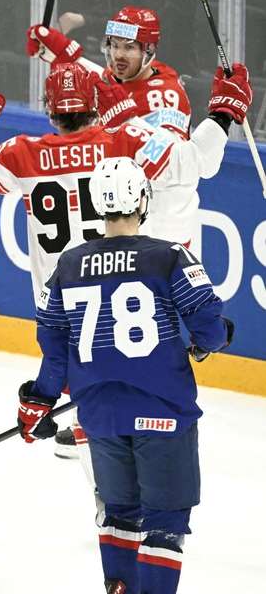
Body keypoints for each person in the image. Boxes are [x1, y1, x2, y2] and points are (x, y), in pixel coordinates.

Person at [0, 59, 251, 462]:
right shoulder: (124, 141)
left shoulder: (22, 153)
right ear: (94, 105)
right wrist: (222, 112)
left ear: (49, 109)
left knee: (96, 422)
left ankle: (112, 514)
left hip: (64, 308)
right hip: (125, 300)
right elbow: (195, 163)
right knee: (134, 417)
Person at [24, 5, 246, 458]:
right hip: (129, 226)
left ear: (150, 50)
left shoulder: (164, 95)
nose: (118, 55)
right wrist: (62, 52)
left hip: (163, 229)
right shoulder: (116, 78)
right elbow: (102, 82)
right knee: (112, 329)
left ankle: (133, 427)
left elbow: (177, 163)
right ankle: (102, 418)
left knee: (153, 336)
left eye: (130, 47)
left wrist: (220, 117)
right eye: (113, 45)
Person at [15, 156, 233, 594]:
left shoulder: (68, 265)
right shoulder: (169, 256)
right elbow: (209, 324)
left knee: (118, 512)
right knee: (165, 522)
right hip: (163, 411)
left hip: (100, 415)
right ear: (143, 201)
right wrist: (211, 341)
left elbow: (54, 349)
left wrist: (36, 402)